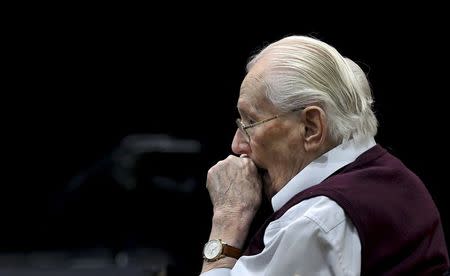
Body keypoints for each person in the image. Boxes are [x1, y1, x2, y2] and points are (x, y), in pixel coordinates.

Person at [200, 35, 449, 275]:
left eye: (250, 122)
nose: (237, 144)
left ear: (311, 127)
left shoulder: (315, 222)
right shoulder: (398, 178)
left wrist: (228, 220)